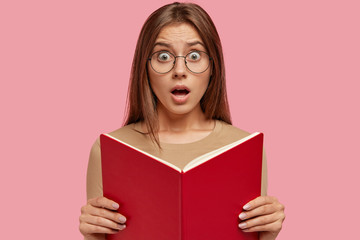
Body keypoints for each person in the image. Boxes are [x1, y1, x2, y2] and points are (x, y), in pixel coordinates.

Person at [79, 2, 285, 240]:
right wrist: (91, 235)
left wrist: (268, 234)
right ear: (144, 68)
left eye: (194, 55)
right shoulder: (108, 149)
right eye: (163, 56)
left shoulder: (246, 148)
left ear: (213, 67)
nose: (179, 70)